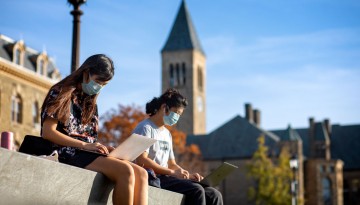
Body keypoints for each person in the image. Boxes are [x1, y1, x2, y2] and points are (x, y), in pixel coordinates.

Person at [40, 54, 148, 205]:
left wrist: (104, 148)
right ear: (86, 72)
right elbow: (48, 132)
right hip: (66, 152)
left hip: (85, 153)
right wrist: (85, 145)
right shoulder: (60, 92)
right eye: (98, 81)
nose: (99, 87)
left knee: (142, 174)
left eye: (104, 85)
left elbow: (90, 139)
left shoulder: (91, 102)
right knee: (126, 171)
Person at [133, 88, 223, 205]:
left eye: (179, 115)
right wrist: (171, 172)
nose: (177, 117)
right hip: (154, 178)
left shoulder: (167, 134)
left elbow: (172, 164)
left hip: (168, 177)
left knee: (214, 194)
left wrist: (186, 175)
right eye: (176, 113)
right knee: (196, 190)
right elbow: (141, 160)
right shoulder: (145, 128)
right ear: (164, 107)